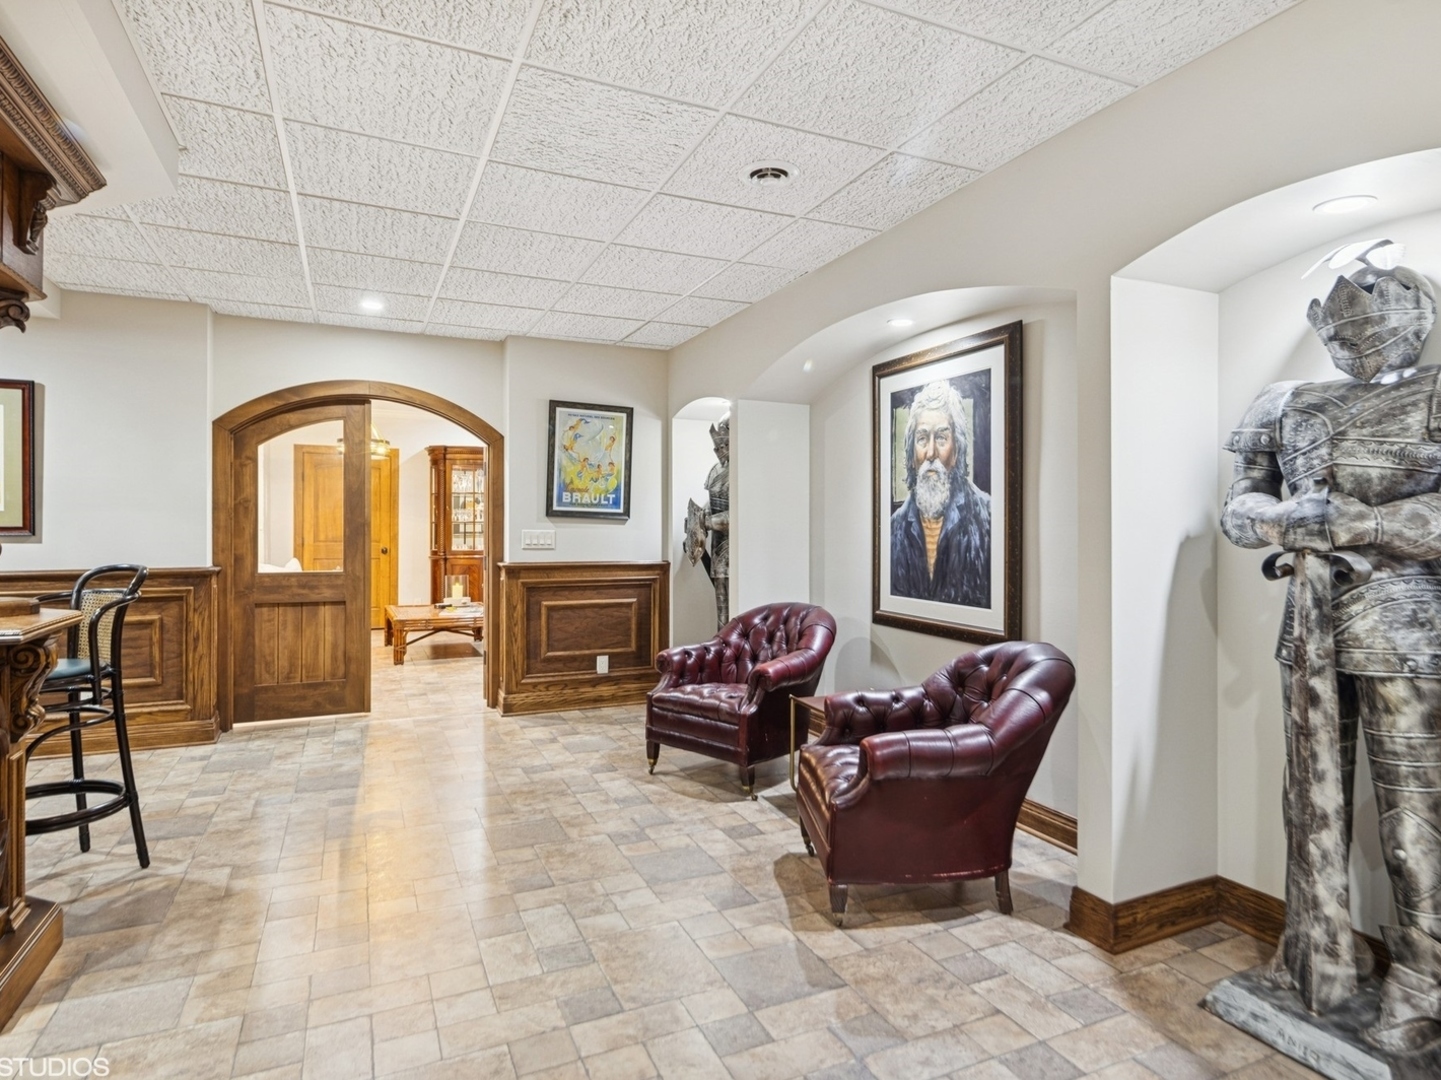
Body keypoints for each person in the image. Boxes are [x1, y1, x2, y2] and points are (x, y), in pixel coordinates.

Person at [1221, 244, 1441, 1054]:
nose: (1356, 336)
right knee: (1307, 803)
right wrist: (1283, 520)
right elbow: (1239, 505)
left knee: (1413, 815)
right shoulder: (1285, 400)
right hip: (1307, 620)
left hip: (1406, 626)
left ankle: (1422, 978)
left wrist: (1365, 522)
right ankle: (1314, 951)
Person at [890, 379, 990, 607]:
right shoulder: (894, 528)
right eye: (922, 438)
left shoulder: (988, 518)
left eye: (942, 438)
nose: (931, 453)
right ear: (911, 454)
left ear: (957, 450)